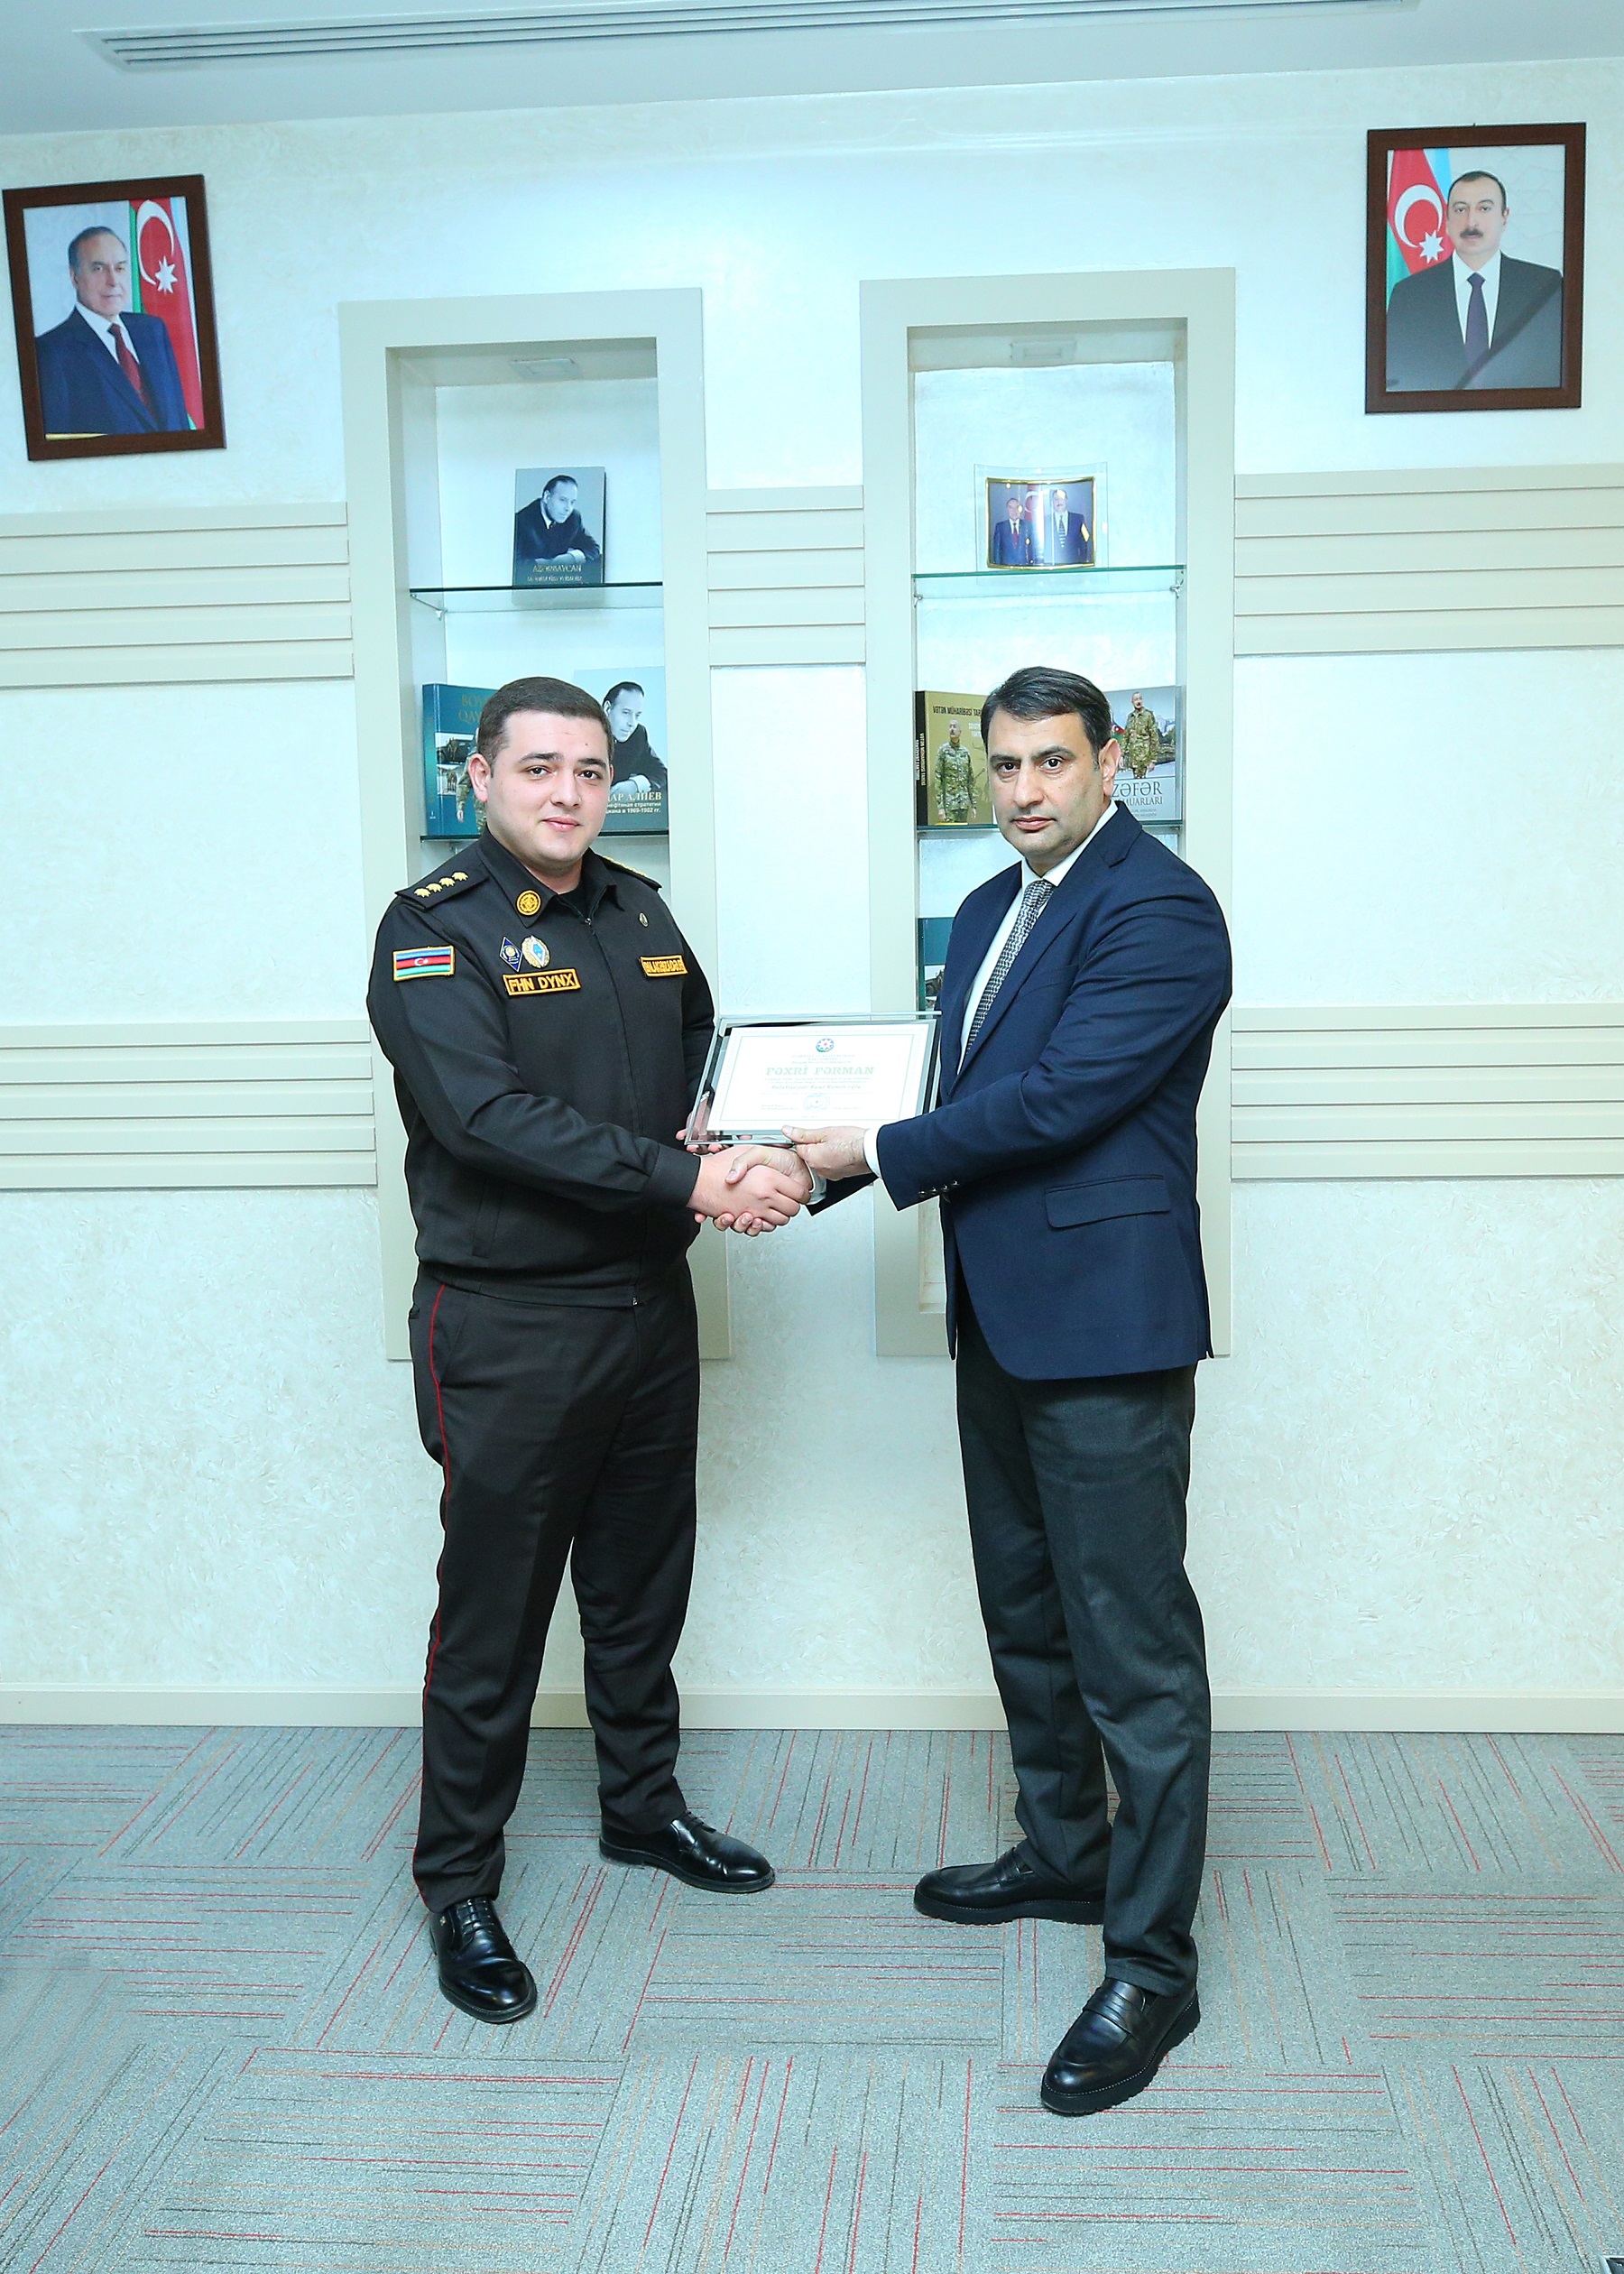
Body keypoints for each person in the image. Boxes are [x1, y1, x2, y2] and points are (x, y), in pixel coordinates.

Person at [779, 662, 1232, 2119]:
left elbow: (1060, 1100)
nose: (1026, 790)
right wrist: (791, 1156)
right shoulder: (985, 911)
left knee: (1133, 1655)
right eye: (1006, 766)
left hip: (1107, 1327)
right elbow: (948, 1093)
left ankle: (1152, 1964)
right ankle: (1066, 1852)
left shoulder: (1161, 908)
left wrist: (859, 1155)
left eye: (1054, 761)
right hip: (1002, 1317)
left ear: (1111, 766)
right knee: (1026, 1612)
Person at [368, 673, 809, 2026]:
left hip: (645, 1308)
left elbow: (703, 1067)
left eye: (591, 772)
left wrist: (745, 1147)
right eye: (540, 768)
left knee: (638, 1585)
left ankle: (641, 1808)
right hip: (510, 1322)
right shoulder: (432, 929)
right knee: (494, 1615)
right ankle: (459, 1884)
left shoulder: (639, 909)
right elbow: (485, 1118)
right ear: (480, 778)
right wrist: (694, 1182)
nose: (568, 793)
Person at [1385, 168, 1563, 392]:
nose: (1471, 222)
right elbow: (1397, 379)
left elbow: (1554, 372)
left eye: (1484, 208)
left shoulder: (1545, 287)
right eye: (1460, 210)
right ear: (1446, 220)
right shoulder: (1410, 295)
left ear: (1504, 217)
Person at [32, 226, 190, 439]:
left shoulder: (153, 330)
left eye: (120, 268)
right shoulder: (50, 352)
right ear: (74, 276)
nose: (113, 281)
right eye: (98, 269)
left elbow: (178, 418)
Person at [512, 474, 604, 582]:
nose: (568, 508)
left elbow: (593, 548)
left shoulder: (573, 518)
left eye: (572, 502)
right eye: (563, 500)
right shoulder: (519, 522)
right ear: (547, 497)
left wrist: (571, 558)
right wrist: (555, 564)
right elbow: (517, 568)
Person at [604, 679, 669, 807]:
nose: (632, 723)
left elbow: (661, 772)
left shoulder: (638, 735)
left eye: (637, 715)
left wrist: (635, 785)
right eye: (626, 713)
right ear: (607, 708)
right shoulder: (582, 734)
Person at [933, 718, 981, 825]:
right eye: (950, 726)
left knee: (963, 832)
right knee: (950, 833)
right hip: (949, 804)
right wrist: (940, 807)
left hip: (963, 804)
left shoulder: (965, 753)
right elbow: (938, 778)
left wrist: (974, 805)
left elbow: (970, 780)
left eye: (954, 727)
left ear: (960, 731)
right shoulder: (943, 751)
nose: (952, 729)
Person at [1041, 485, 1092, 566]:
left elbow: (1086, 541)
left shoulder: (1079, 519)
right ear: (1052, 502)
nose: (1059, 502)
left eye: (1061, 498)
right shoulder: (1045, 521)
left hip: (1074, 566)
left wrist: (1084, 563)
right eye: (1056, 499)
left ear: (1066, 500)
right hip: (1052, 567)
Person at [1120, 692, 1162, 779]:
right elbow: (1126, 737)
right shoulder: (1130, 717)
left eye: (1140, 699)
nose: (1138, 701)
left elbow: (1154, 737)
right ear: (1132, 702)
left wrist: (1153, 760)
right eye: (1136, 699)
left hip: (1144, 758)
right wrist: (1121, 755)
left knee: (1143, 782)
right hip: (1133, 758)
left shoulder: (1148, 715)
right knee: (1136, 782)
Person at [991, 490, 1032, 568]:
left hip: (1025, 568)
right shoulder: (1000, 527)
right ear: (1007, 509)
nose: (1014, 511)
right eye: (1011, 507)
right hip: (1007, 569)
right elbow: (997, 552)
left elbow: (1033, 550)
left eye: (1017, 507)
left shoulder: (1028, 526)